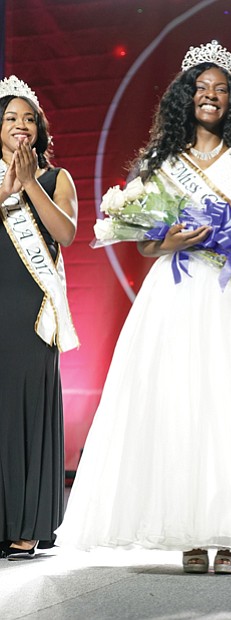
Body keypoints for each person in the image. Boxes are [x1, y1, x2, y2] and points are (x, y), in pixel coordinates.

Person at [55, 25, 231, 574]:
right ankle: (190, 533)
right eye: (200, 86)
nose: (210, 94)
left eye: (220, 88)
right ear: (185, 96)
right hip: (178, 293)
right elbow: (142, 242)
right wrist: (171, 239)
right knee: (183, 406)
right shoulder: (159, 164)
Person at [0, 76, 79, 559]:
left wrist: (29, 184)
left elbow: (66, 234)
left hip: (31, 311)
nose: (20, 126)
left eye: (29, 118)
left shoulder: (56, 178)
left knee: (26, 408)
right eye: (10, 118)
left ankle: (27, 525)